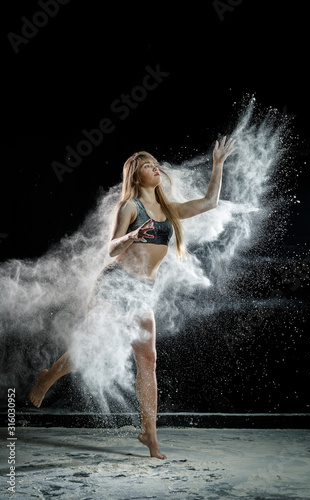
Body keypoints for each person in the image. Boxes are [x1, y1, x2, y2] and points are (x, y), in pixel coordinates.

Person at [29, 136, 237, 459]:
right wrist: (132, 235)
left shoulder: (169, 210)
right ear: (136, 176)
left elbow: (210, 202)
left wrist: (218, 165)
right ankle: (47, 379)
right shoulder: (128, 207)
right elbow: (111, 248)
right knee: (94, 348)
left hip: (142, 292)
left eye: (155, 164)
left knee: (148, 360)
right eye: (146, 166)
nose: (155, 168)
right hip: (117, 284)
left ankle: (149, 435)